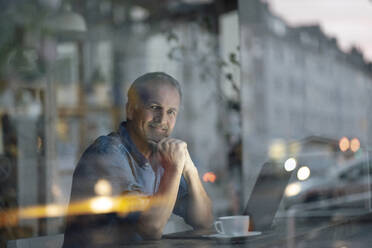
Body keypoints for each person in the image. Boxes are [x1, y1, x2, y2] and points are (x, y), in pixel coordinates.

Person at [62, 72, 213, 247]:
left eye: (171, 111)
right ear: (131, 110)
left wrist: (190, 169)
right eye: (155, 107)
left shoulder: (163, 154)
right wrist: (174, 170)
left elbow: (204, 221)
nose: (162, 119)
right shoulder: (107, 154)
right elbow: (151, 228)